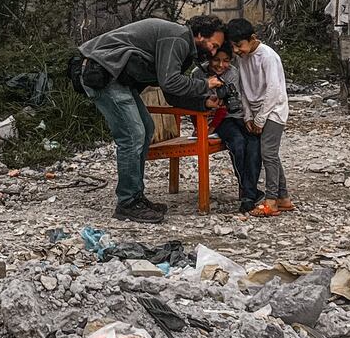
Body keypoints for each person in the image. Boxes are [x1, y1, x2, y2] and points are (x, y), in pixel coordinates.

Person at [75, 16, 225, 224]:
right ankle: (127, 202)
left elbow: (170, 92)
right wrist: (205, 84)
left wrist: (203, 103)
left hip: (116, 77)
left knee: (146, 127)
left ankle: (136, 196)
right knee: (132, 135)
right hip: (101, 72)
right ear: (200, 35)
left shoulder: (184, 47)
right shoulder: (179, 37)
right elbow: (171, 82)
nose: (213, 52)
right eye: (213, 45)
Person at [228, 18, 295, 217]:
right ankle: (284, 198)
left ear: (253, 39)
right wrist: (248, 115)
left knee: (268, 155)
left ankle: (271, 200)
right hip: (257, 111)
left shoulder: (268, 56)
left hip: (274, 110)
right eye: (234, 47)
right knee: (270, 153)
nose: (237, 50)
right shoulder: (242, 58)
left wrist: (260, 118)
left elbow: (273, 89)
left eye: (239, 45)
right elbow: (243, 89)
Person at [192, 43, 263, 213]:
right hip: (214, 121)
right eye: (216, 60)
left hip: (233, 115)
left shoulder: (232, 73)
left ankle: (248, 192)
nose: (221, 65)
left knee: (253, 142)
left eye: (226, 61)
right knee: (237, 143)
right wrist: (206, 128)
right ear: (209, 58)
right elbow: (193, 103)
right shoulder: (198, 74)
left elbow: (231, 103)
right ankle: (249, 193)